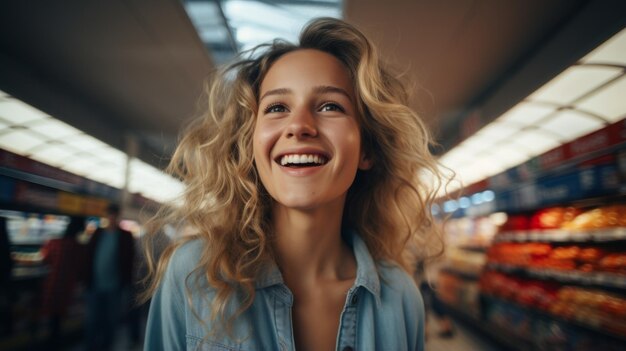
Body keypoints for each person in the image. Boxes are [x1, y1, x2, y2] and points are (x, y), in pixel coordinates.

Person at [142, 17, 444, 351]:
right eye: (277, 107)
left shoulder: (401, 298)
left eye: (330, 106)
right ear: (250, 144)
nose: (299, 126)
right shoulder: (194, 275)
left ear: (367, 149)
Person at [84, 203, 135, 351]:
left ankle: (106, 346)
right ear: (106, 216)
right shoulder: (98, 233)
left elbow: (130, 261)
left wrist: (127, 284)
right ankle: (91, 347)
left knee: (111, 322)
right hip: (95, 285)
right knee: (92, 321)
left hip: (115, 287)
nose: (111, 219)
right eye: (109, 216)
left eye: (114, 216)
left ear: (118, 217)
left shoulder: (125, 236)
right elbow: (89, 256)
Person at [40, 215, 85, 350]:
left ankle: (50, 343)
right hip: (67, 288)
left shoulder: (54, 242)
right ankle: (55, 343)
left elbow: (45, 259)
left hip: (52, 285)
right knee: (58, 319)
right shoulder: (79, 248)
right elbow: (80, 269)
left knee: (52, 318)